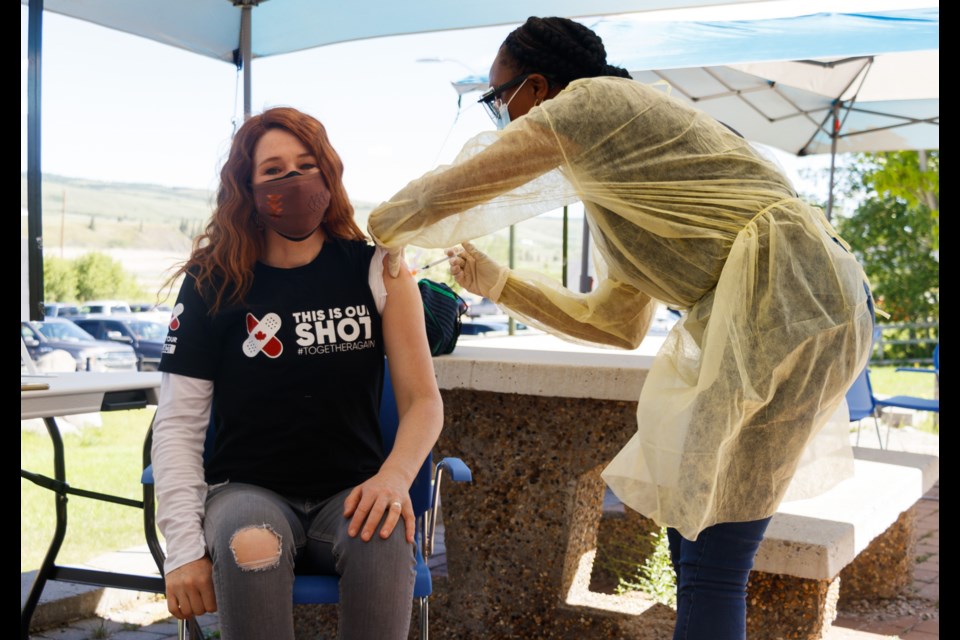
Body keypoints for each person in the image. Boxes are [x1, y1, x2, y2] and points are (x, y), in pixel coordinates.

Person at [367, 17, 874, 640]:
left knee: (712, 558)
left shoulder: (596, 102)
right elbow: (616, 325)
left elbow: (463, 186)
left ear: (537, 87)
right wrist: (499, 285)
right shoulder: (631, 184)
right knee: (697, 542)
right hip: (795, 299)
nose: (499, 118)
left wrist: (371, 228)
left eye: (497, 100)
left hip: (785, 296)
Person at [152, 107, 443, 640]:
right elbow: (176, 424)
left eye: (306, 165)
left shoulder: (378, 269)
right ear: (247, 187)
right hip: (247, 489)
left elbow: (424, 401)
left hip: (352, 490)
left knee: (384, 536)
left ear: (328, 176)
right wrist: (183, 551)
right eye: (273, 170)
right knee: (252, 544)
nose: (293, 180)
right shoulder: (211, 282)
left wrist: (394, 478)